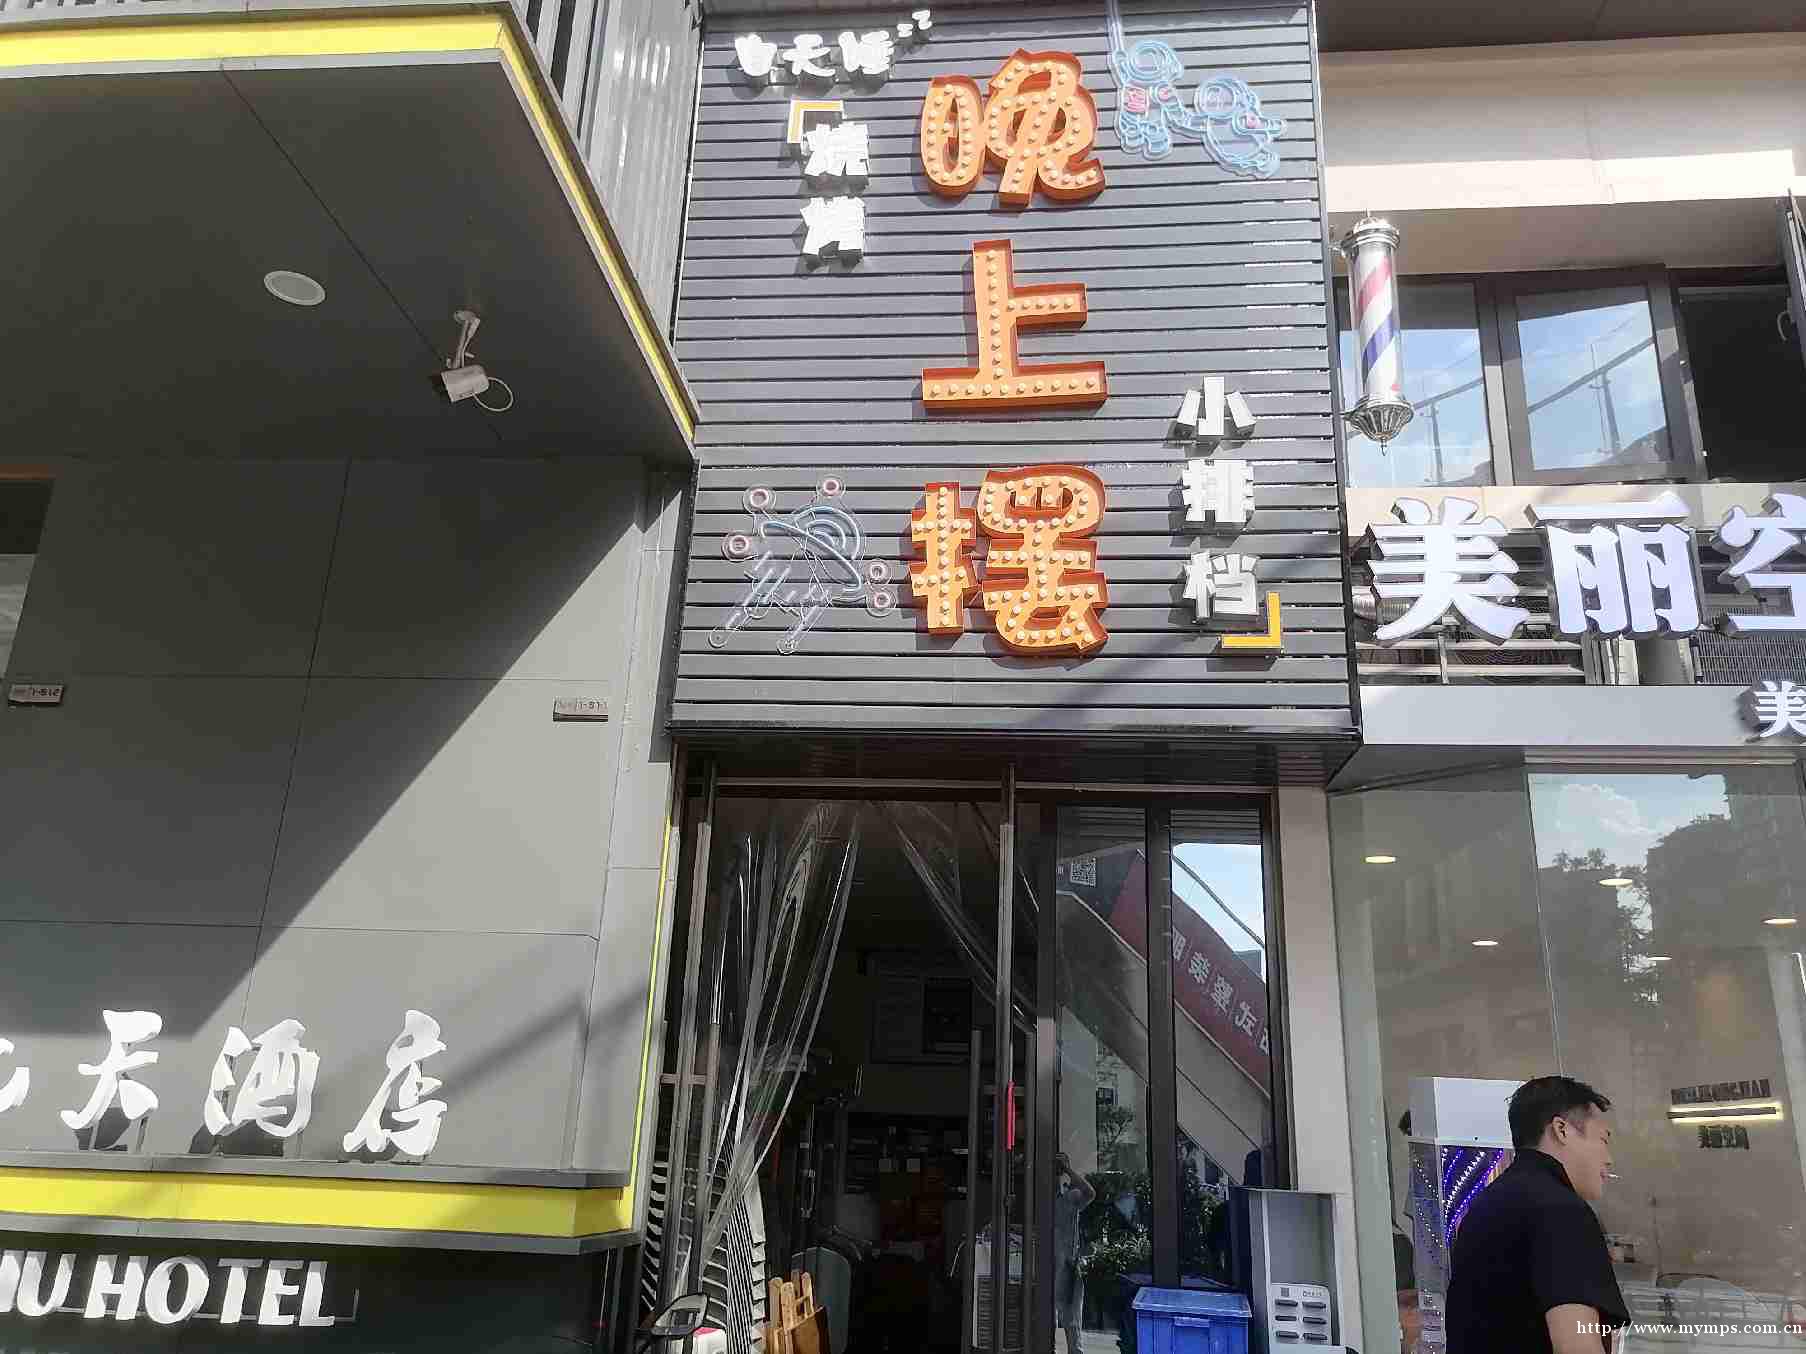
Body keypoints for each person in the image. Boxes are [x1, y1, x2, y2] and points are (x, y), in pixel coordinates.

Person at [1446, 1076, 1629, 1354]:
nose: (1609, 1158)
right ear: (1561, 1130)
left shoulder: (1489, 1201)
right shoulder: (1561, 1210)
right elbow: (1576, 1346)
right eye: (1603, 1140)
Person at [1052, 1151, 1097, 1354]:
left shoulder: (1070, 1197)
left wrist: (1068, 1170)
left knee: (1071, 1318)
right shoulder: (1045, 1199)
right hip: (1051, 1264)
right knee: (1049, 1315)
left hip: (1069, 1264)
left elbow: (1090, 1193)